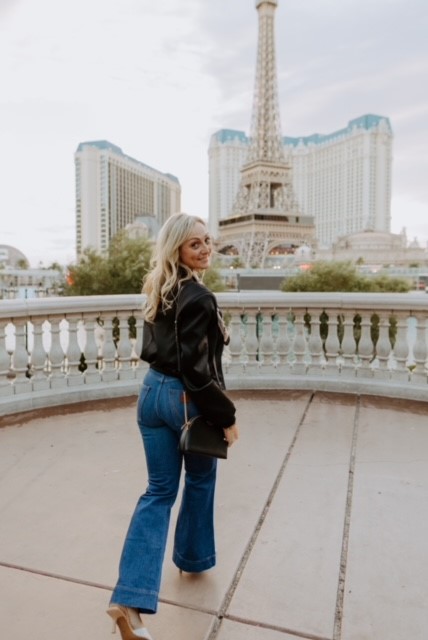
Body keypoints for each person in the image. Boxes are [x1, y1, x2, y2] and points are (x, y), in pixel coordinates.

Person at [107, 213, 239, 640]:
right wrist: (227, 417)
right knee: (200, 479)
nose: (205, 249)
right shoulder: (199, 296)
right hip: (184, 399)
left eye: (207, 241)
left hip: (150, 395)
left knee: (159, 491)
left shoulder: (158, 288)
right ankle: (193, 558)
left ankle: (129, 600)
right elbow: (198, 372)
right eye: (194, 244)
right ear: (177, 249)